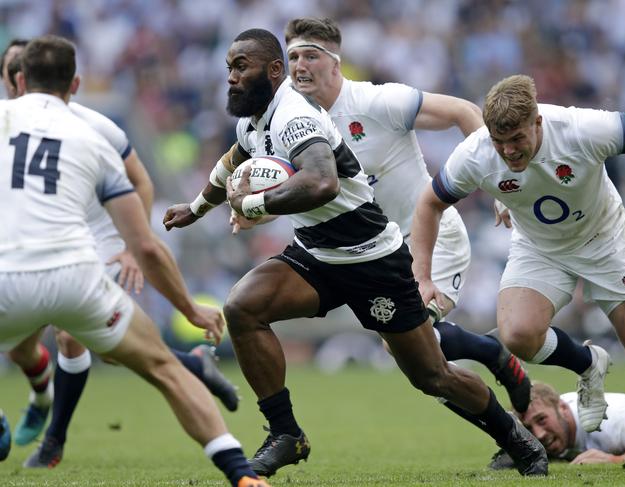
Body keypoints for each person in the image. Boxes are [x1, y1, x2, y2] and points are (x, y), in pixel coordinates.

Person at [164, 28, 548, 478]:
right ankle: (285, 432)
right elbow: (233, 158)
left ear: (272, 71)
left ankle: (517, 440)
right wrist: (196, 208)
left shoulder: (295, 115)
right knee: (243, 307)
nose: (231, 77)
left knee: (432, 376)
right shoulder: (254, 117)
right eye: (229, 67)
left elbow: (321, 181)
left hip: (371, 258)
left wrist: (253, 203)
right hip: (317, 253)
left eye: (241, 67)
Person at [0, 35, 267, 487]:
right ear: (76, 84)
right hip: (74, 278)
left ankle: (47, 430)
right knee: (162, 367)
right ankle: (241, 475)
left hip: (6, 277)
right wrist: (190, 308)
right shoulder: (93, 137)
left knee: (64, 342)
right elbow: (145, 245)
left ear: (19, 80)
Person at [277, 17, 530, 413]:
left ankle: (505, 386)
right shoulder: (292, 121)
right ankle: (494, 360)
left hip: (428, 239)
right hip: (373, 251)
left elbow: (464, 111)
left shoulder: (376, 102)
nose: (299, 66)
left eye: (311, 55)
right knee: (409, 353)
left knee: (417, 349)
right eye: (293, 56)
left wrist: (497, 184)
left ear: (335, 63)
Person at [410, 74, 625, 434]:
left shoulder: (582, 128)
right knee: (517, 335)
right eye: (499, 141)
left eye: (517, 139)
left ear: (538, 122)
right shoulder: (475, 153)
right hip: (538, 247)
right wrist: (423, 278)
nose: (508, 151)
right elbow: (429, 204)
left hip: (603, 239)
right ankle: (587, 364)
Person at [489, 381, 625, 467]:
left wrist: (614, 460)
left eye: (542, 420)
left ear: (563, 408)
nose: (539, 434)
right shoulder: (554, 413)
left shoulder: (613, 423)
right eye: (529, 428)